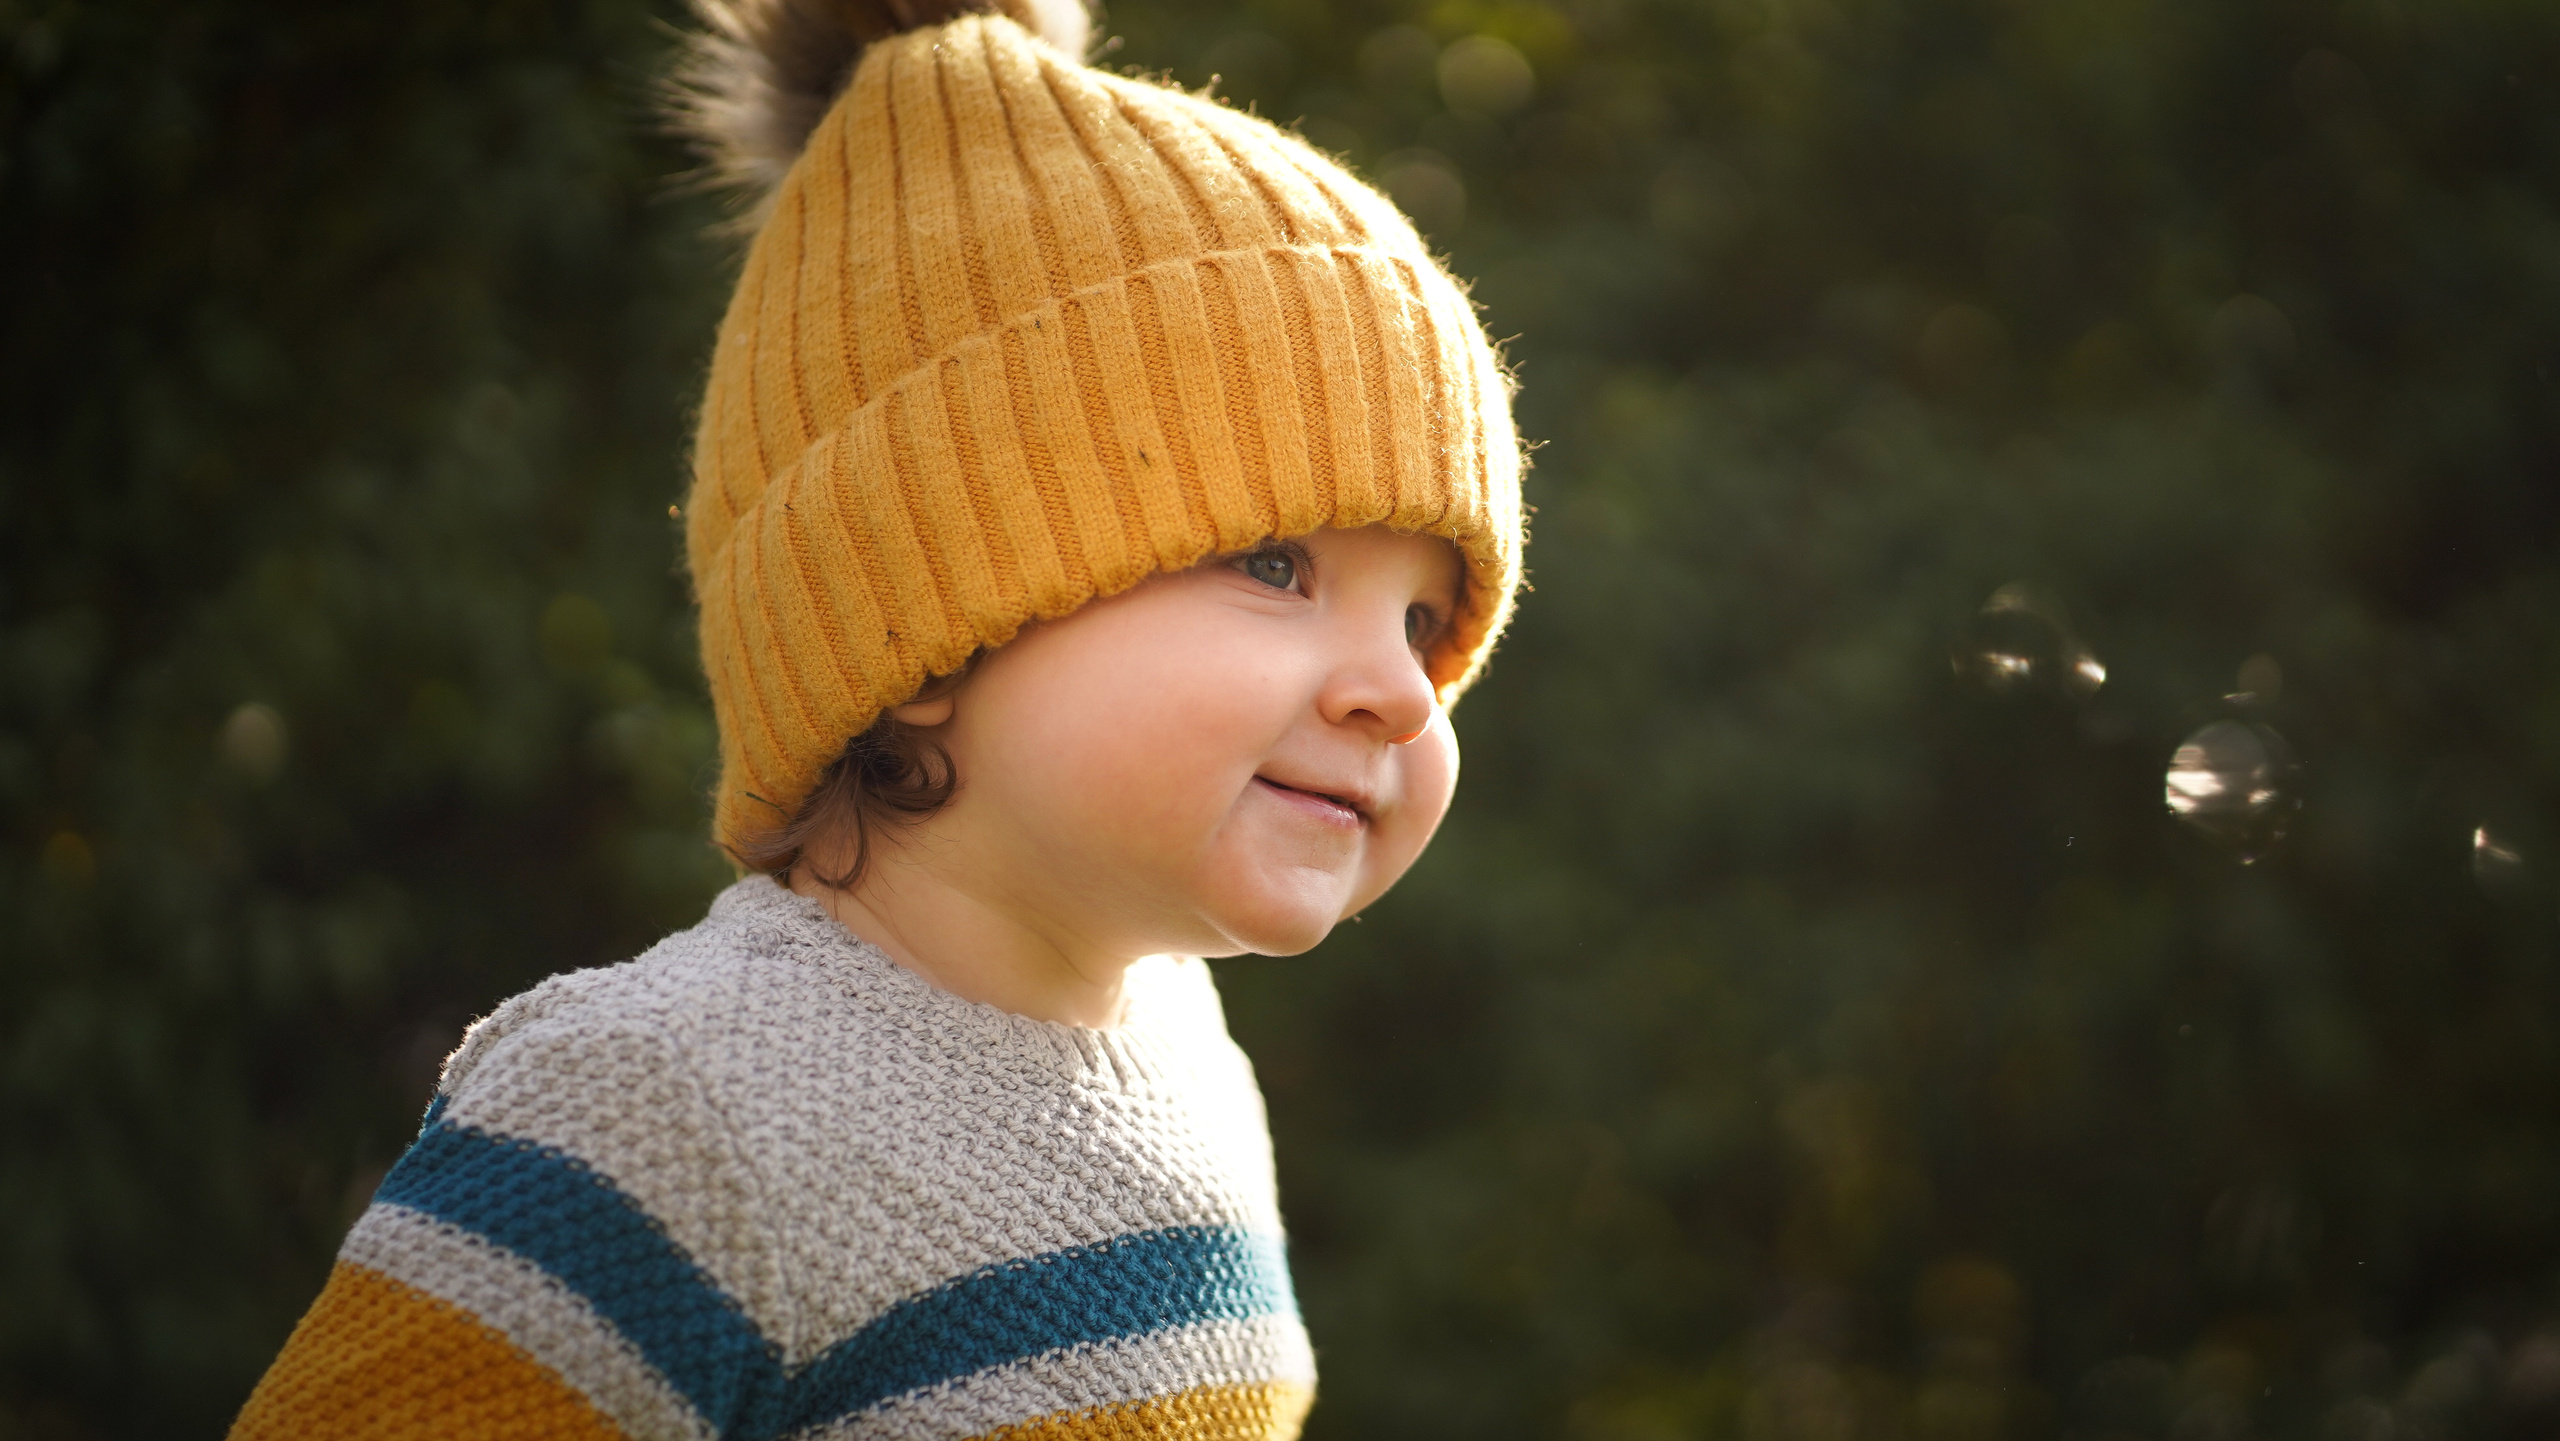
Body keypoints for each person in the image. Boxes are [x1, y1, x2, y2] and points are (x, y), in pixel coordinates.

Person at [227, 0, 1522, 1432]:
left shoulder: (1190, 1059)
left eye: (1422, 618)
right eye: (1277, 565)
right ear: (930, 622)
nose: (1402, 688)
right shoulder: (665, 1106)